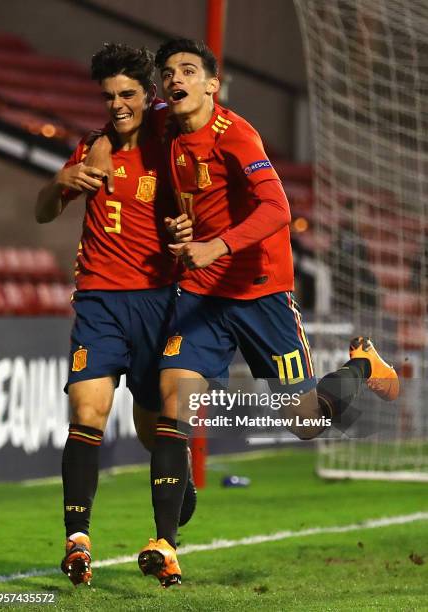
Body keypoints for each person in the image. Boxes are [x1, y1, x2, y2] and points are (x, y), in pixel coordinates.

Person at [129, 38, 400, 588]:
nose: (173, 79)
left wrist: (217, 245)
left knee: (303, 422)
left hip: (261, 295)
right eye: (167, 73)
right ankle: (166, 544)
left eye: (188, 70)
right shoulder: (165, 125)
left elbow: (280, 208)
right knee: (172, 403)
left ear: (212, 83)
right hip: (202, 295)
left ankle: (361, 368)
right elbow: (128, 105)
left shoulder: (238, 135)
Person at [35, 43, 196, 587]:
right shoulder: (89, 146)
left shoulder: (165, 139)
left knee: (156, 428)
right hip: (100, 300)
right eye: (109, 97)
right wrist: (63, 181)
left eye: (127, 94)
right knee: (86, 414)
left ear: (146, 95)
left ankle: (178, 485)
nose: (117, 104)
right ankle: (79, 541)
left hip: (159, 301)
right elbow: (42, 210)